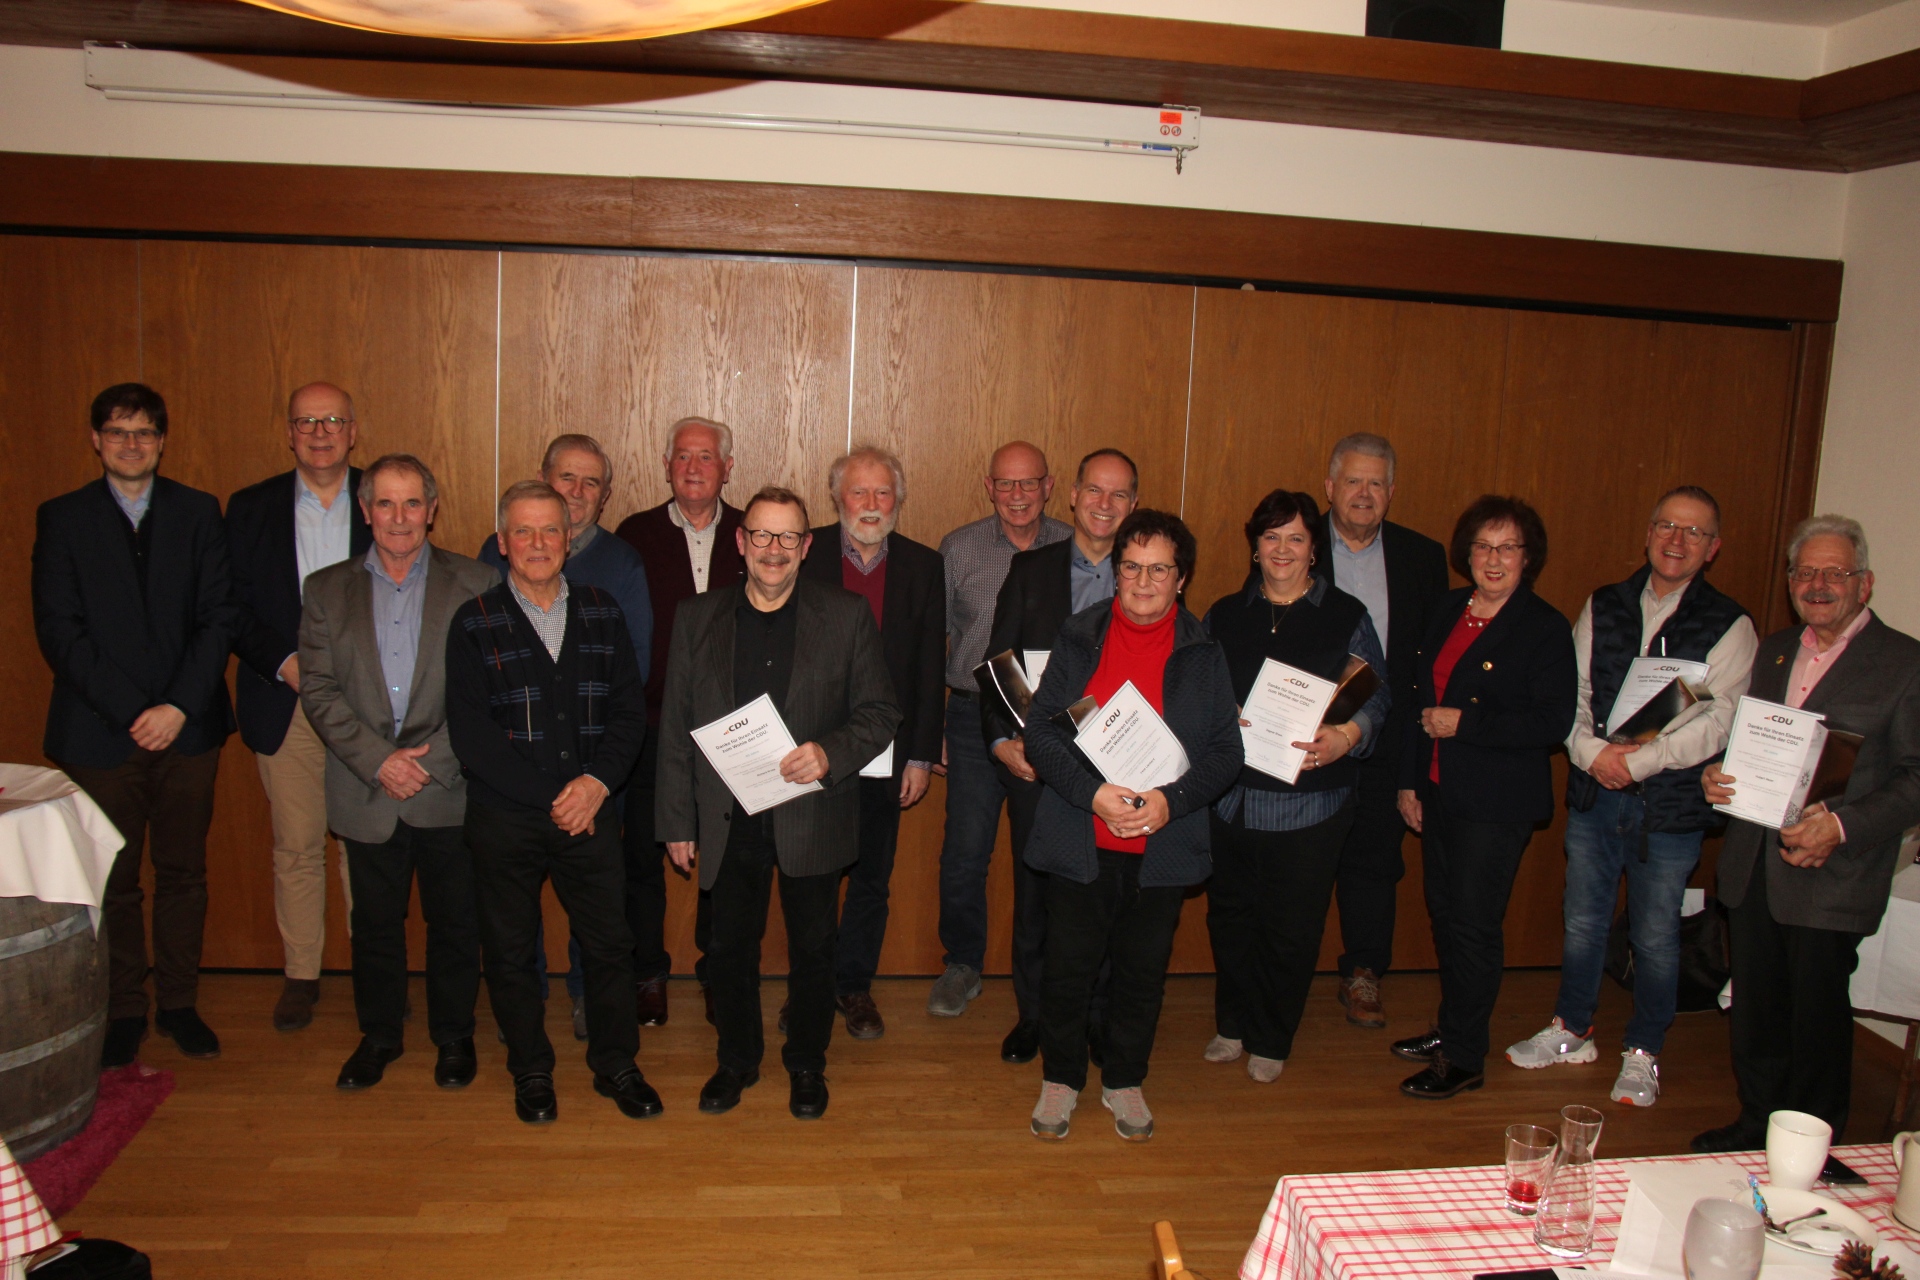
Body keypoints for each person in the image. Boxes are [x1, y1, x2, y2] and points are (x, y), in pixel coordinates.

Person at [655, 487, 899, 1121]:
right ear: (740, 542)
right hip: (727, 815)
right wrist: (677, 821)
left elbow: (880, 713)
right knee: (729, 949)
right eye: (760, 536)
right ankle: (736, 1059)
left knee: (814, 948)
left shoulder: (844, 616)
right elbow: (676, 726)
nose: (772, 550)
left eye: (787, 538)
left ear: (806, 546)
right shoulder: (696, 616)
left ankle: (808, 1063)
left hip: (810, 813)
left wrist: (829, 751)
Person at [1506, 487, 1755, 1107]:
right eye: (1667, 526)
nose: (1677, 541)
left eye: (1694, 532)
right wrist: (1593, 756)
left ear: (1713, 548)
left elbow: (1720, 720)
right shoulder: (1605, 604)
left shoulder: (1731, 624)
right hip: (1596, 794)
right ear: (1648, 534)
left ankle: (1644, 1051)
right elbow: (1576, 689)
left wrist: (1639, 762)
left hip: (1669, 809)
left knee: (1656, 936)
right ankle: (1573, 1029)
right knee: (1583, 923)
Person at [1692, 515, 1920, 1151]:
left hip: (1832, 875)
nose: (1817, 584)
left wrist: (1842, 826)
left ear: (1864, 584)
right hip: (1754, 862)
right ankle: (1754, 1124)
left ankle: (1811, 1148)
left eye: (1834, 573)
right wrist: (1721, 774)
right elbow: (1756, 744)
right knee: (1757, 1011)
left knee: (1815, 1020)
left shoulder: (1904, 663)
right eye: (1804, 572)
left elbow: (1917, 777)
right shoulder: (1778, 649)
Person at [33, 383, 238, 1068]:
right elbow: (61, 632)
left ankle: (178, 1003)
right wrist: (132, 712)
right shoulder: (62, 518)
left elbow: (219, 618)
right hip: (100, 735)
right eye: (118, 431)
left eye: (145, 432)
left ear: (161, 440)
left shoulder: (198, 513)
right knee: (114, 880)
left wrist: (177, 706)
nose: (131, 444)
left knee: (184, 873)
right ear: (96, 439)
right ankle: (124, 1009)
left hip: (189, 731)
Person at [1020, 508, 1241, 1142]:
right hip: (1082, 835)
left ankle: (1123, 1081)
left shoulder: (1203, 652)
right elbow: (1041, 732)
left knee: (1142, 972)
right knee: (1068, 969)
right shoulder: (1079, 635)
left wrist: (1172, 801)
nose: (1143, 581)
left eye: (1159, 569)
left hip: (1163, 843)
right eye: (1132, 567)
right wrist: (1093, 796)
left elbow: (1227, 752)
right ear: (1116, 574)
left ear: (1182, 579)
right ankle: (1061, 1079)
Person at [447, 481, 656, 1124]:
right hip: (506, 819)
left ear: (569, 540)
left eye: (550, 531)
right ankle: (531, 1070)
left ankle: (616, 1063)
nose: (538, 544)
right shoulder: (474, 621)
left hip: (591, 811)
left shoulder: (602, 611)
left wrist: (595, 786)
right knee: (509, 950)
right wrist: (553, 796)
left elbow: (628, 712)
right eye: (524, 532)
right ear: (503, 542)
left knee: (609, 946)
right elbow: (471, 736)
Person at [299, 454, 496, 1092]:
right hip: (366, 787)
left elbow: (489, 692)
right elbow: (321, 691)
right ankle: (379, 1036)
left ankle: (454, 1038)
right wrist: (378, 761)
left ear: (431, 510)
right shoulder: (326, 590)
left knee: (455, 924)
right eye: (385, 503)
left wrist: (430, 761)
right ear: (366, 511)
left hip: (448, 786)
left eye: (412, 503)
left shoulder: (478, 583)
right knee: (375, 926)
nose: (399, 517)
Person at [1393, 495, 1576, 1099]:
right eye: (1482, 546)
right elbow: (1420, 702)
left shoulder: (1544, 627)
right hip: (1440, 789)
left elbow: (1553, 721)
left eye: (1508, 548)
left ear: (1529, 557)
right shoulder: (1448, 607)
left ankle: (1466, 1057)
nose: (1493, 559)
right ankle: (1452, 1028)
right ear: (1465, 553)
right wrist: (1412, 781)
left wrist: (1464, 726)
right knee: (1446, 916)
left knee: (1473, 925)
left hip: (1496, 804)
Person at [1204, 490, 1391, 1082]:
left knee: (1291, 926)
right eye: (1270, 537)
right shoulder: (1224, 615)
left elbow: (1376, 694)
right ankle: (1231, 1022)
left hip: (1312, 802)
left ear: (1314, 550)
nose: (1282, 549)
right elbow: (1194, 689)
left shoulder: (1345, 614)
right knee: (1230, 918)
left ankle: (1271, 1035)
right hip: (1232, 797)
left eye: (1296, 538)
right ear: (1254, 548)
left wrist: (1348, 735)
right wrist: (1215, 713)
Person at [480, 434, 652, 1041]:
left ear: (603, 498)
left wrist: (593, 777)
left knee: (597, 910)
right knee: (512, 914)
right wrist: (532, 783)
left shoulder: (620, 568)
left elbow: (630, 672)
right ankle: (522, 1005)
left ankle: (586, 997)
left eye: (589, 483)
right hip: (515, 780)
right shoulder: (488, 569)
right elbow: (483, 682)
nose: (575, 493)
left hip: (595, 772)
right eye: (565, 479)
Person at [977, 448, 1139, 1061]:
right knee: (1036, 895)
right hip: (1036, 769)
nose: (1105, 505)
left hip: (1114, 770)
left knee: (1101, 898)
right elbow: (997, 668)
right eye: (1095, 491)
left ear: (1133, 506)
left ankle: (1095, 1018)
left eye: (1119, 495)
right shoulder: (1031, 569)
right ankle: (1035, 1017)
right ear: (1070, 495)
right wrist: (1001, 742)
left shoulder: (1144, 575)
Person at [226, 381, 371, 1032]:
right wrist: (285, 664)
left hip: (366, 707)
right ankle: (302, 976)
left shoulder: (382, 498)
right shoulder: (250, 508)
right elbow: (230, 608)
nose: (320, 432)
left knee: (363, 846)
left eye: (332, 420)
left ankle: (375, 971)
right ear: (289, 433)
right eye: (306, 421)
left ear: (352, 430)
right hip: (282, 700)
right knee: (298, 846)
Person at [798, 447, 945, 1039]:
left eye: (883, 493)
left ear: (898, 500)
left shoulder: (922, 566)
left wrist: (920, 752)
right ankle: (809, 987)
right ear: (837, 497)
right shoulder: (803, 556)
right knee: (809, 874)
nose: (870, 504)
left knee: (871, 877)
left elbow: (929, 664)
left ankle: (853, 987)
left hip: (890, 748)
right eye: (859, 492)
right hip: (817, 748)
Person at [932, 441, 1072, 1019]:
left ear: (1049, 485)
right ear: (988, 487)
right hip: (970, 715)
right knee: (966, 850)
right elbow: (929, 641)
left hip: (1054, 721)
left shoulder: (1074, 547)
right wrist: (926, 728)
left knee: (1040, 853)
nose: (1017, 495)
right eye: (1005, 484)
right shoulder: (958, 548)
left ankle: (1041, 979)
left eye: (1029, 483)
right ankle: (962, 963)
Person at [615, 417, 747, 1026]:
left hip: (734, 729)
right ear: (666, 466)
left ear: (726, 467)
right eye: (683, 458)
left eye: (706, 457)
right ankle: (647, 971)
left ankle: (718, 967)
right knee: (642, 855)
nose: (694, 468)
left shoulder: (753, 534)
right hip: (649, 722)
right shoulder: (634, 534)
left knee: (725, 858)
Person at [1316, 433, 1449, 1028]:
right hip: (1307, 737)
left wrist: (1415, 759)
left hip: (1384, 736)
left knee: (1375, 862)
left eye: (1376, 483)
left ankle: (1364, 972)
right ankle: (1285, 974)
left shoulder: (1423, 558)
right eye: (1353, 481)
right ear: (1330, 487)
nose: (1364, 494)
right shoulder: (1296, 542)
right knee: (1303, 862)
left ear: (1391, 493)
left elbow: (1430, 665)